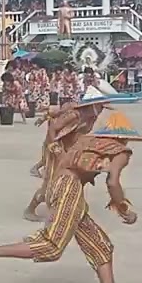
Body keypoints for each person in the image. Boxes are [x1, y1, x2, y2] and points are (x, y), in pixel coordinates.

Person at [0, 110, 142, 283]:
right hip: (70, 188)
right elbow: (112, 182)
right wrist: (124, 209)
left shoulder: (88, 141)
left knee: (101, 247)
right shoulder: (121, 152)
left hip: (61, 184)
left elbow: (61, 157)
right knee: (52, 246)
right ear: (124, 137)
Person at [23, 87, 110, 222]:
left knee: (73, 179)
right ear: (92, 105)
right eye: (100, 106)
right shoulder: (74, 115)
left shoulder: (90, 117)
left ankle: (71, 207)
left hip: (70, 150)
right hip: (57, 148)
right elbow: (53, 128)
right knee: (51, 183)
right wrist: (55, 149)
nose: (101, 110)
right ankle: (30, 209)